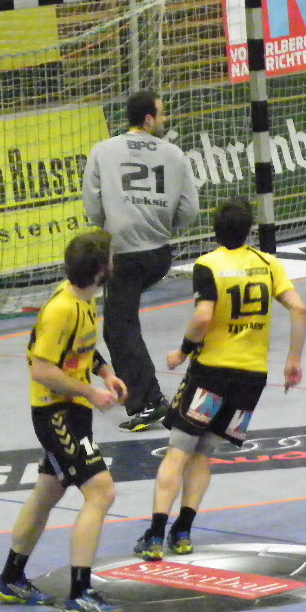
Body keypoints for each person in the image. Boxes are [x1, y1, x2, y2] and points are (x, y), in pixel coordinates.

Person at [133, 197, 306, 560]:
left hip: (211, 372)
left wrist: (182, 351)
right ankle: (183, 532)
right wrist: (293, 359)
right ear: (249, 231)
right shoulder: (268, 264)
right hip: (251, 377)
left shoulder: (208, 265)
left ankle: (155, 535)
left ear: (215, 231)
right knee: (204, 453)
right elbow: (299, 307)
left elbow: (203, 317)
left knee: (179, 450)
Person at [0, 229, 129, 612]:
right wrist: (89, 392)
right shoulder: (61, 309)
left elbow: (81, 347)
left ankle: (11, 578)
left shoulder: (83, 300)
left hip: (71, 412)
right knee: (101, 492)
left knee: (47, 492)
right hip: (57, 415)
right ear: (101, 269)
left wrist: (105, 372)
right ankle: (80, 594)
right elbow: (41, 369)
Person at [83, 89, 200, 432]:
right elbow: (189, 210)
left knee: (119, 328)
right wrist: (163, 227)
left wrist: (114, 225)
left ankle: (149, 401)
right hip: (159, 253)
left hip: (123, 253)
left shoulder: (103, 150)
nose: (164, 119)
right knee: (123, 322)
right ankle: (141, 393)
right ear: (148, 119)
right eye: (161, 114)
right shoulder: (174, 154)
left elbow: (92, 205)